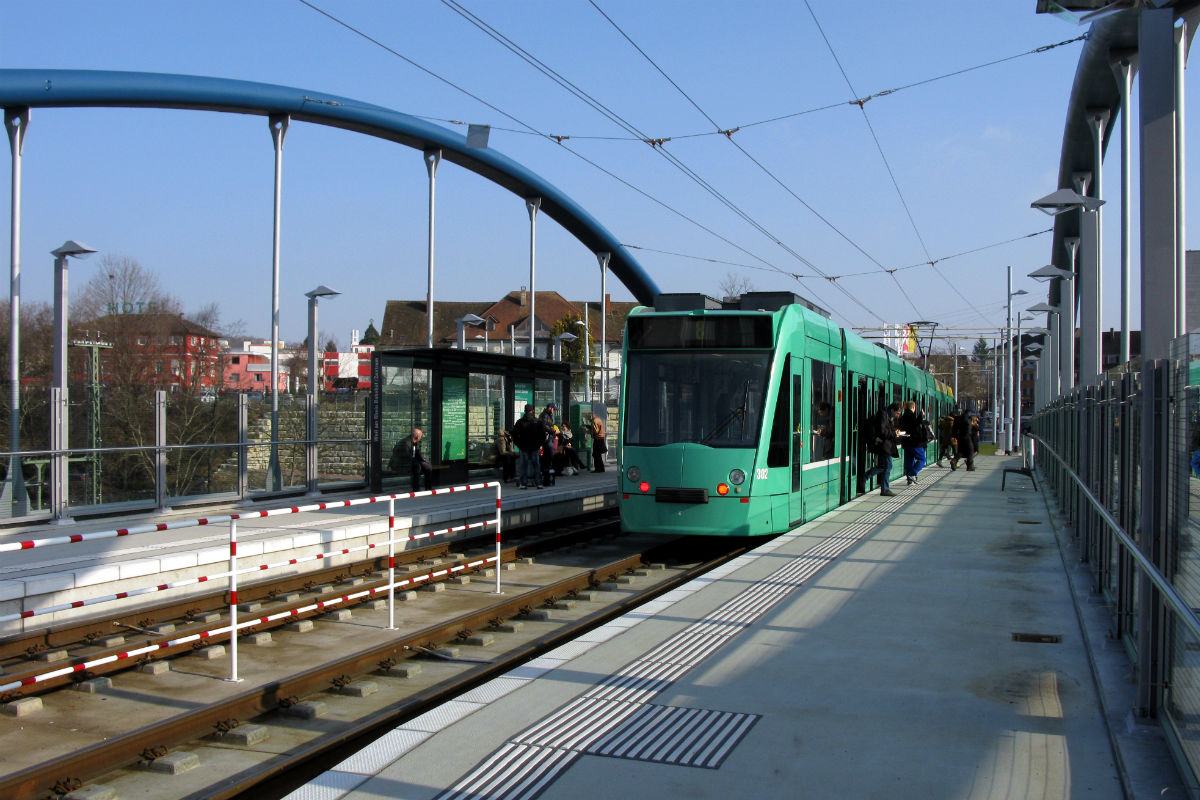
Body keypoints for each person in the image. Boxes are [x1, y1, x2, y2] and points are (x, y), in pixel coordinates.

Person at [862, 402, 901, 497]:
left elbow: (889, 430)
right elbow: (882, 431)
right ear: (892, 410)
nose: (898, 416)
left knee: (884, 466)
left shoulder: (887, 416)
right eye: (897, 413)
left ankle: (865, 477)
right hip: (883, 446)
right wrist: (894, 434)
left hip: (885, 446)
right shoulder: (883, 415)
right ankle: (884, 489)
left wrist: (895, 432)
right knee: (888, 466)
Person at [512, 404, 546, 489]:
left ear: (525, 411)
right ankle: (539, 483)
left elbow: (514, 434)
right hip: (535, 447)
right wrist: (539, 444)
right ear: (532, 411)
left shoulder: (520, 422)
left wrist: (519, 444)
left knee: (523, 466)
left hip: (523, 447)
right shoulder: (537, 421)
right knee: (536, 465)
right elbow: (543, 435)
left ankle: (524, 483)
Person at [898, 401, 928, 485]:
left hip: (906, 443)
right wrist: (921, 417)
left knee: (909, 460)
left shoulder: (903, 417)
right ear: (913, 408)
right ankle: (912, 474)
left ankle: (909, 479)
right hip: (915, 443)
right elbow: (915, 427)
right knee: (922, 459)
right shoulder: (912, 416)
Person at [952, 407, 976, 472]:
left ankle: (954, 461)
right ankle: (970, 466)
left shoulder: (959, 418)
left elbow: (954, 428)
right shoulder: (967, 419)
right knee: (971, 451)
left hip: (960, 437)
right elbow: (968, 428)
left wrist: (955, 436)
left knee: (961, 451)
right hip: (967, 436)